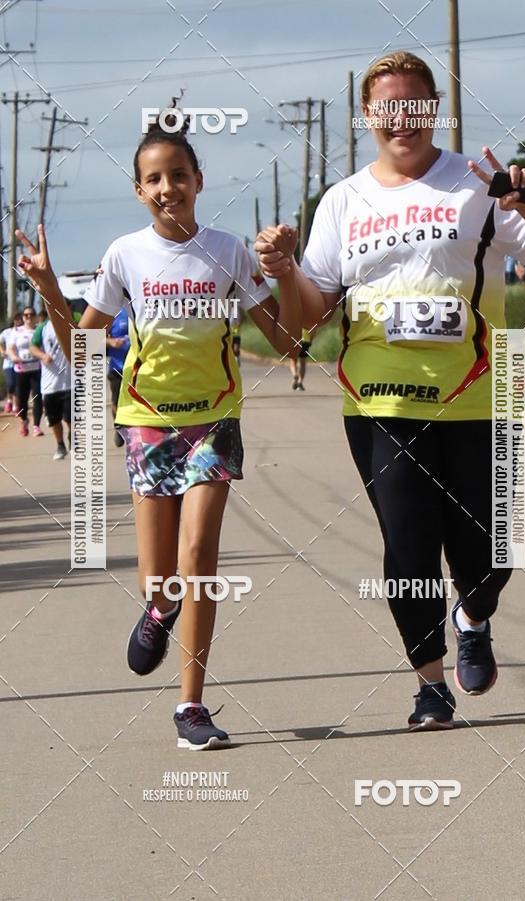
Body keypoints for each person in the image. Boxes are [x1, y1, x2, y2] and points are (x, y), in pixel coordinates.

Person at [256, 51, 525, 730]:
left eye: (415, 104)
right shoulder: (343, 201)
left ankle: (473, 614)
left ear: (433, 109)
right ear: (369, 115)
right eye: (388, 106)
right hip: (380, 402)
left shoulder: (475, 182)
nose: (402, 118)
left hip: (482, 394)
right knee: (407, 546)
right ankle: (430, 685)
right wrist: (286, 271)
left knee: (493, 553)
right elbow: (304, 320)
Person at [16, 109, 301, 750]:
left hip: (215, 424)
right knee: (160, 577)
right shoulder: (125, 256)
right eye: (154, 178)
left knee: (199, 559)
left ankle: (191, 706)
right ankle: (159, 609)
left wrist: (286, 271)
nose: (167, 187)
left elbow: (284, 337)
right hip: (147, 425)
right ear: (140, 190)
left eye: (179, 174)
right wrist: (49, 290)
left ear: (198, 180)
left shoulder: (227, 250)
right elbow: (84, 348)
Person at [29, 301, 79, 460]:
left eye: (65, 307)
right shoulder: (42, 328)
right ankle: (60, 445)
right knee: (54, 419)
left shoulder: (74, 325)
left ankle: (73, 441)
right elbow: (33, 347)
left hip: (71, 380)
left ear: (69, 309)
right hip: (50, 383)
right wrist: (43, 356)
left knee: (71, 416)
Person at [8, 306, 44, 437]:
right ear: (23, 317)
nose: (28, 317)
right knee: (21, 401)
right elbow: (10, 348)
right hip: (21, 370)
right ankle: (24, 420)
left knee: (37, 397)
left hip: (36, 369)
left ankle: (36, 426)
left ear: (35, 316)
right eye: (26, 315)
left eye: (31, 315)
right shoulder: (17, 331)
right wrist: (14, 357)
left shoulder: (40, 330)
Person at [106, 307, 130, 447]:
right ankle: (119, 427)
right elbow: (92, 335)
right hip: (117, 367)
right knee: (117, 402)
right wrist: (111, 342)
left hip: (138, 367)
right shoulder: (112, 312)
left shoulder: (140, 305)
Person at [1, 311, 23, 414]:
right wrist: (2, 351)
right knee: (11, 384)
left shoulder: (24, 331)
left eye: (20, 319)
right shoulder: (7, 332)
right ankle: (9, 400)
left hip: (20, 363)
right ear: (13, 320)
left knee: (17, 385)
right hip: (8, 363)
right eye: (17, 319)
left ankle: (15, 405)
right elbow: (0, 342)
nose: (18, 321)